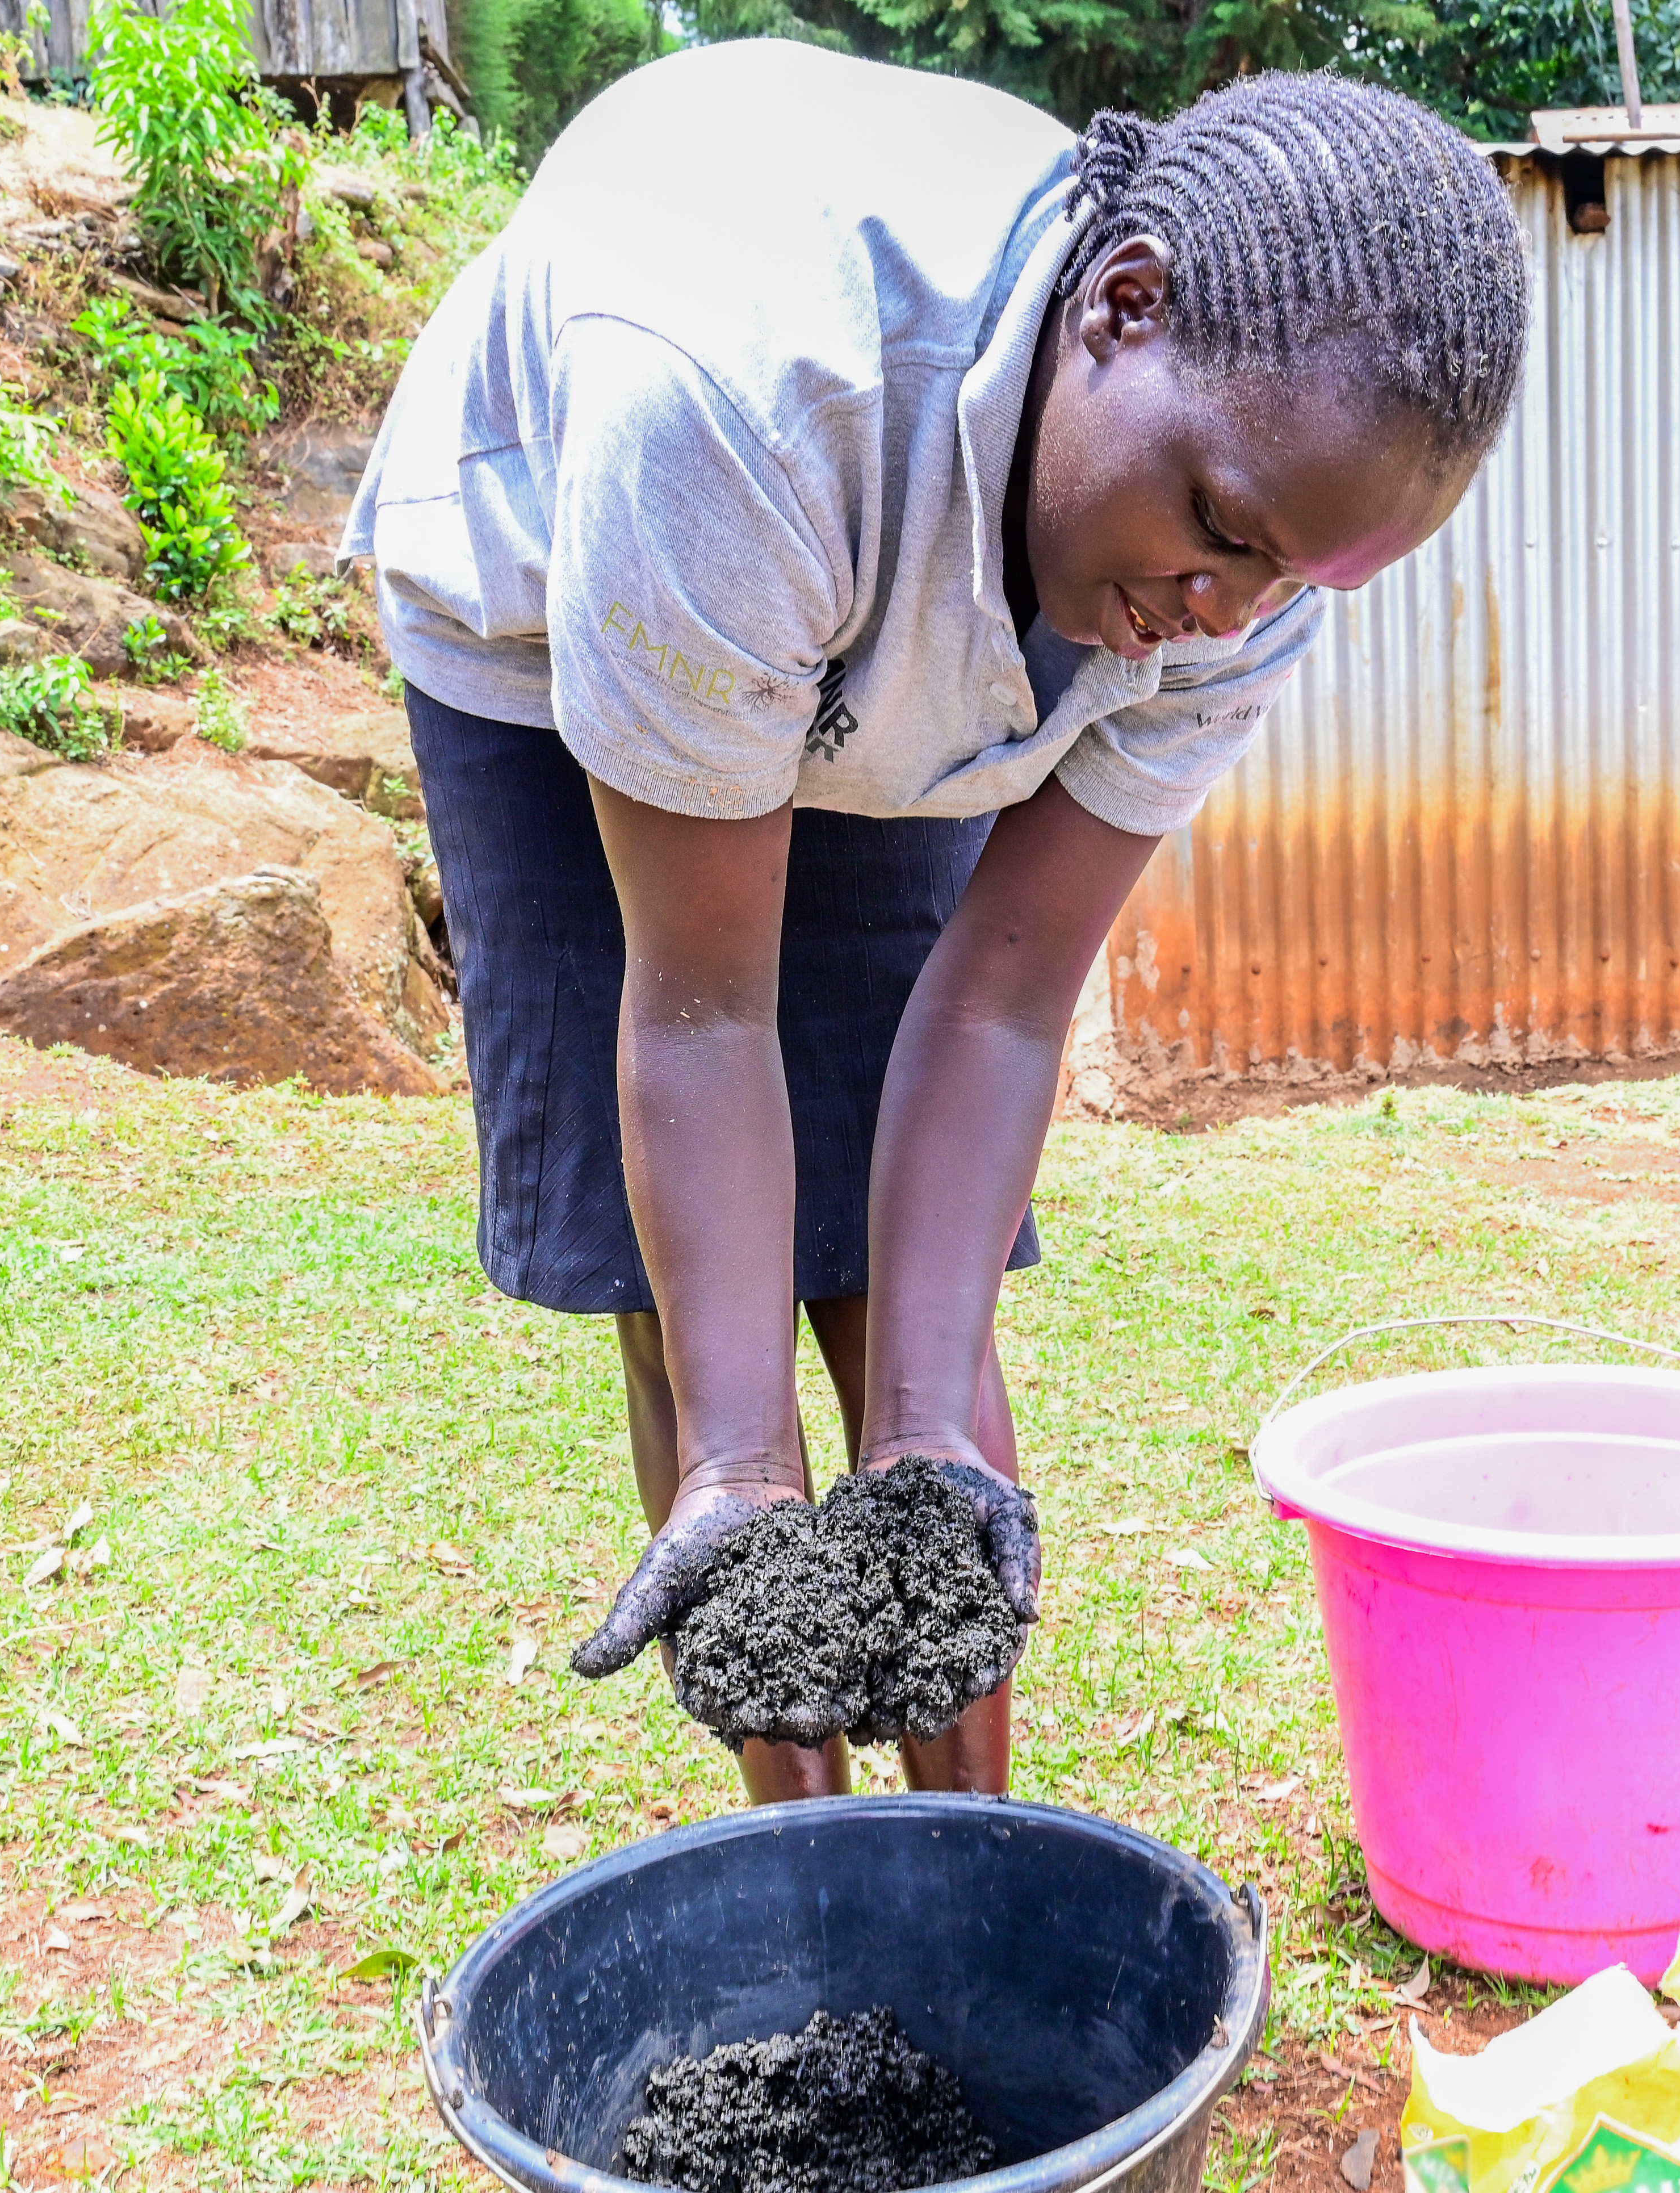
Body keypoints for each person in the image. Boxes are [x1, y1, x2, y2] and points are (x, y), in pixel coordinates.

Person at [343, 36, 1529, 1806]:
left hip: (924, 549)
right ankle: (819, 1872)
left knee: (919, 1336)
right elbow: (697, 1017)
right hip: (570, 598)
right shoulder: (739, 398)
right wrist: (745, 1471)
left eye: (1292, 574)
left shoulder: (1240, 566)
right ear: (1121, 308)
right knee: (709, 1306)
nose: (1223, 613)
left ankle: (972, 1858)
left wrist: (916, 1447)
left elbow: (998, 1003)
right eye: (1219, 531)